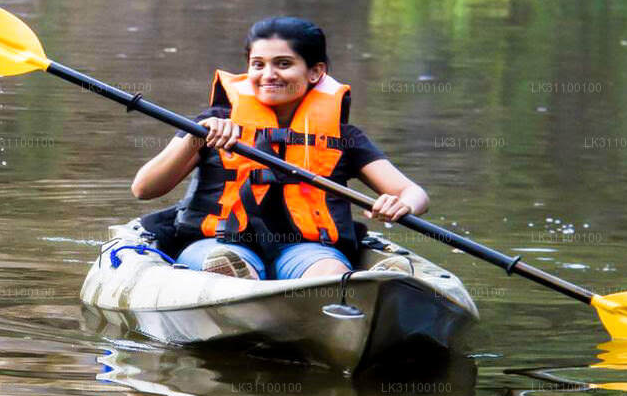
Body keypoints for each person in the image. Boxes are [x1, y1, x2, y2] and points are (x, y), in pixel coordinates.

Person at [130, 17, 429, 280]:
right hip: (217, 245)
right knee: (226, 265)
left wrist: (402, 205)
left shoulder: (343, 136)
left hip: (306, 249)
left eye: (283, 64)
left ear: (315, 72)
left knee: (329, 273)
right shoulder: (213, 124)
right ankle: (242, 296)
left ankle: (358, 291)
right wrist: (197, 139)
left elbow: (414, 193)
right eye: (258, 64)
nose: (268, 74)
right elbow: (144, 188)